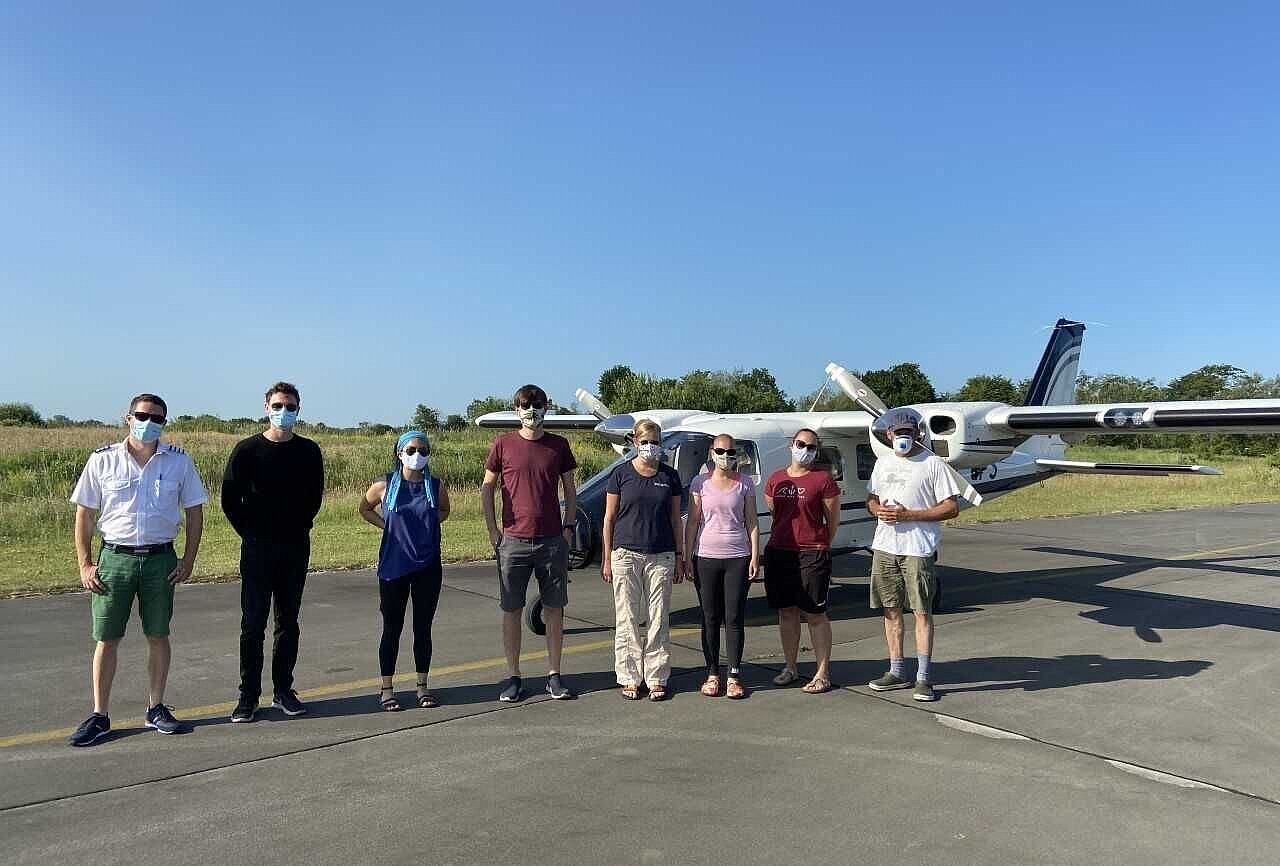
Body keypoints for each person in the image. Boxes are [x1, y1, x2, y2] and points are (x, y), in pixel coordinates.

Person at [68, 394, 207, 746]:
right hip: (114, 558)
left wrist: (188, 560)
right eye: (143, 415)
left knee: (158, 635)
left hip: (160, 560)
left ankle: (156, 708)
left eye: (157, 418)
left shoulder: (178, 462)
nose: (150, 422)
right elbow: (84, 513)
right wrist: (85, 563)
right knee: (107, 639)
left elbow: (194, 512)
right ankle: (100, 715)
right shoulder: (103, 460)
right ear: (128, 418)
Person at [222, 382, 325, 723]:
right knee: (252, 624)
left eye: (291, 406)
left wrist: (295, 527)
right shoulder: (247, 450)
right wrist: (251, 533)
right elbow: (229, 499)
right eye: (279, 405)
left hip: (295, 547)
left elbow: (314, 498)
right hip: (257, 549)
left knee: (288, 622)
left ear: (298, 410)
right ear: (266, 406)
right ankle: (248, 695)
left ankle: (284, 689)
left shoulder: (309, 451)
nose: (285, 411)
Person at [481, 384, 578, 702]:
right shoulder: (503, 444)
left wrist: (568, 527)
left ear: (546, 410)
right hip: (513, 541)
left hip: (552, 539)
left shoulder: (559, 446)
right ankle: (513, 676)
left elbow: (569, 488)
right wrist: (494, 530)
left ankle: (554, 674)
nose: (531, 411)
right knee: (512, 608)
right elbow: (487, 488)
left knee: (554, 609)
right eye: (526, 405)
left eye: (537, 405)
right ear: (516, 410)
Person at [864, 408, 962, 702]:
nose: (902, 437)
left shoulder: (933, 464)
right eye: (898, 433)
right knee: (890, 609)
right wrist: (876, 510)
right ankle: (896, 670)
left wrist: (910, 516)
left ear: (917, 434)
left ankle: (924, 677)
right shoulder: (882, 463)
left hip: (918, 549)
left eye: (908, 432)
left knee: (921, 611)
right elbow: (872, 498)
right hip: (885, 546)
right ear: (889, 435)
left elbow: (951, 507)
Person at [359, 431, 451, 710]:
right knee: (392, 628)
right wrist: (386, 524)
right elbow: (364, 509)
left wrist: (429, 525)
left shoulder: (435, 486)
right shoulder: (383, 485)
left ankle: (422, 686)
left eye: (423, 450)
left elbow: (444, 510)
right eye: (411, 449)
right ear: (399, 453)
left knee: (423, 628)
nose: (417, 454)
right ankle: (387, 689)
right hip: (393, 566)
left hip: (428, 566)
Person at [601, 419, 686, 701]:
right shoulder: (620, 474)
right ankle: (629, 677)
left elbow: (676, 518)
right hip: (625, 553)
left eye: (656, 442)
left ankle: (657, 676)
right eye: (645, 442)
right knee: (627, 617)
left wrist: (680, 553)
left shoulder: (669, 477)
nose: (651, 447)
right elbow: (609, 517)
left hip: (661, 554)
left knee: (659, 617)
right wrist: (606, 557)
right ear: (635, 443)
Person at [764, 427, 841, 694]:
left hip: (812, 551)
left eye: (811, 447)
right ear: (791, 446)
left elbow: (832, 522)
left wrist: (819, 543)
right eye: (801, 444)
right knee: (786, 612)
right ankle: (790, 667)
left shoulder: (823, 481)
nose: (805, 450)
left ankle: (822, 672)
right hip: (780, 550)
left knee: (815, 613)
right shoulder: (776, 480)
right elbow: (775, 511)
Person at [684, 433, 760, 699]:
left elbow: (751, 521)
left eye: (731, 452)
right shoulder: (699, 482)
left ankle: (734, 675)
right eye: (721, 451)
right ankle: (713, 673)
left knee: (734, 617)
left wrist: (754, 556)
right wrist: (686, 556)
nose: (726, 456)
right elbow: (693, 521)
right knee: (709, 617)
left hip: (737, 556)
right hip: (705, 555)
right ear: (711, 452)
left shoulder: (745, 483)